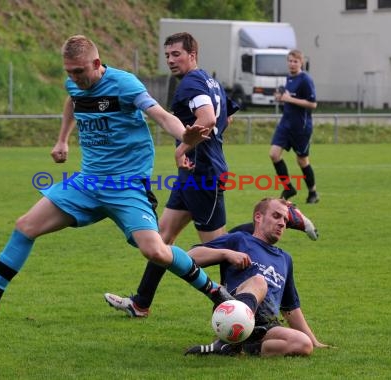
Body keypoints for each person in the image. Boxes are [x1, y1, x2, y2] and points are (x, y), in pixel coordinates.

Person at [0, 34, 235, 322]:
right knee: (25, 226)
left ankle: (214, 291)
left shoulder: (124, 83)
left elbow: (160, 115)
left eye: (80, 71)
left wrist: (185, 135)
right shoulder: (74, 82)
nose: (75, 77)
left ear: (96, 63)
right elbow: (73, 100)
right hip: (87, 183)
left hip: (126, 186)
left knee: (156, 251)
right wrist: (63, 140)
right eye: (69, 72)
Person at [104, 33, 318, 318]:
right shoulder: (208, 80)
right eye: (167, 55)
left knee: (221, 247)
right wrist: (210, 142)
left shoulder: (190, 84)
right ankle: (141, 303)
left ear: (193, 53)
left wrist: (184, 148)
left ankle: (244, 312)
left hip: (202, 173)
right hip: (194, 172)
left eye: (176, 54)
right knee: (161, 239)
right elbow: (226, 114)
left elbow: (207, 118)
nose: (170, 60)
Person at [184, 197, 329, 357]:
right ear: (258, 217)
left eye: (285, 219)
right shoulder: (239, 239)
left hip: (264, 326)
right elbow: (190, 257)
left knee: (303, 344)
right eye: (276, 216)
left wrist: (314, 342)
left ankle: (247, 347)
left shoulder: (285, 259)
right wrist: (226, 253)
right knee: (259, 281)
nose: (282, 223)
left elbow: (291, 309)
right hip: (232, 311)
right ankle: (230, 340)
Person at [270, 49, 319, 204]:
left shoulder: (306, 79)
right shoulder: (289, 78)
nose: (292, 64)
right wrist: (280, 97)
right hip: (286, 124)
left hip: (301, 127)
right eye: (290, 61)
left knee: (302, 161)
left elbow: (313, 104)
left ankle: (313, 192)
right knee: (274, 154)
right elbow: (287, 97)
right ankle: (289, 187)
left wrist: (289, 99)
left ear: (301, 62)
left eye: (295, 61)